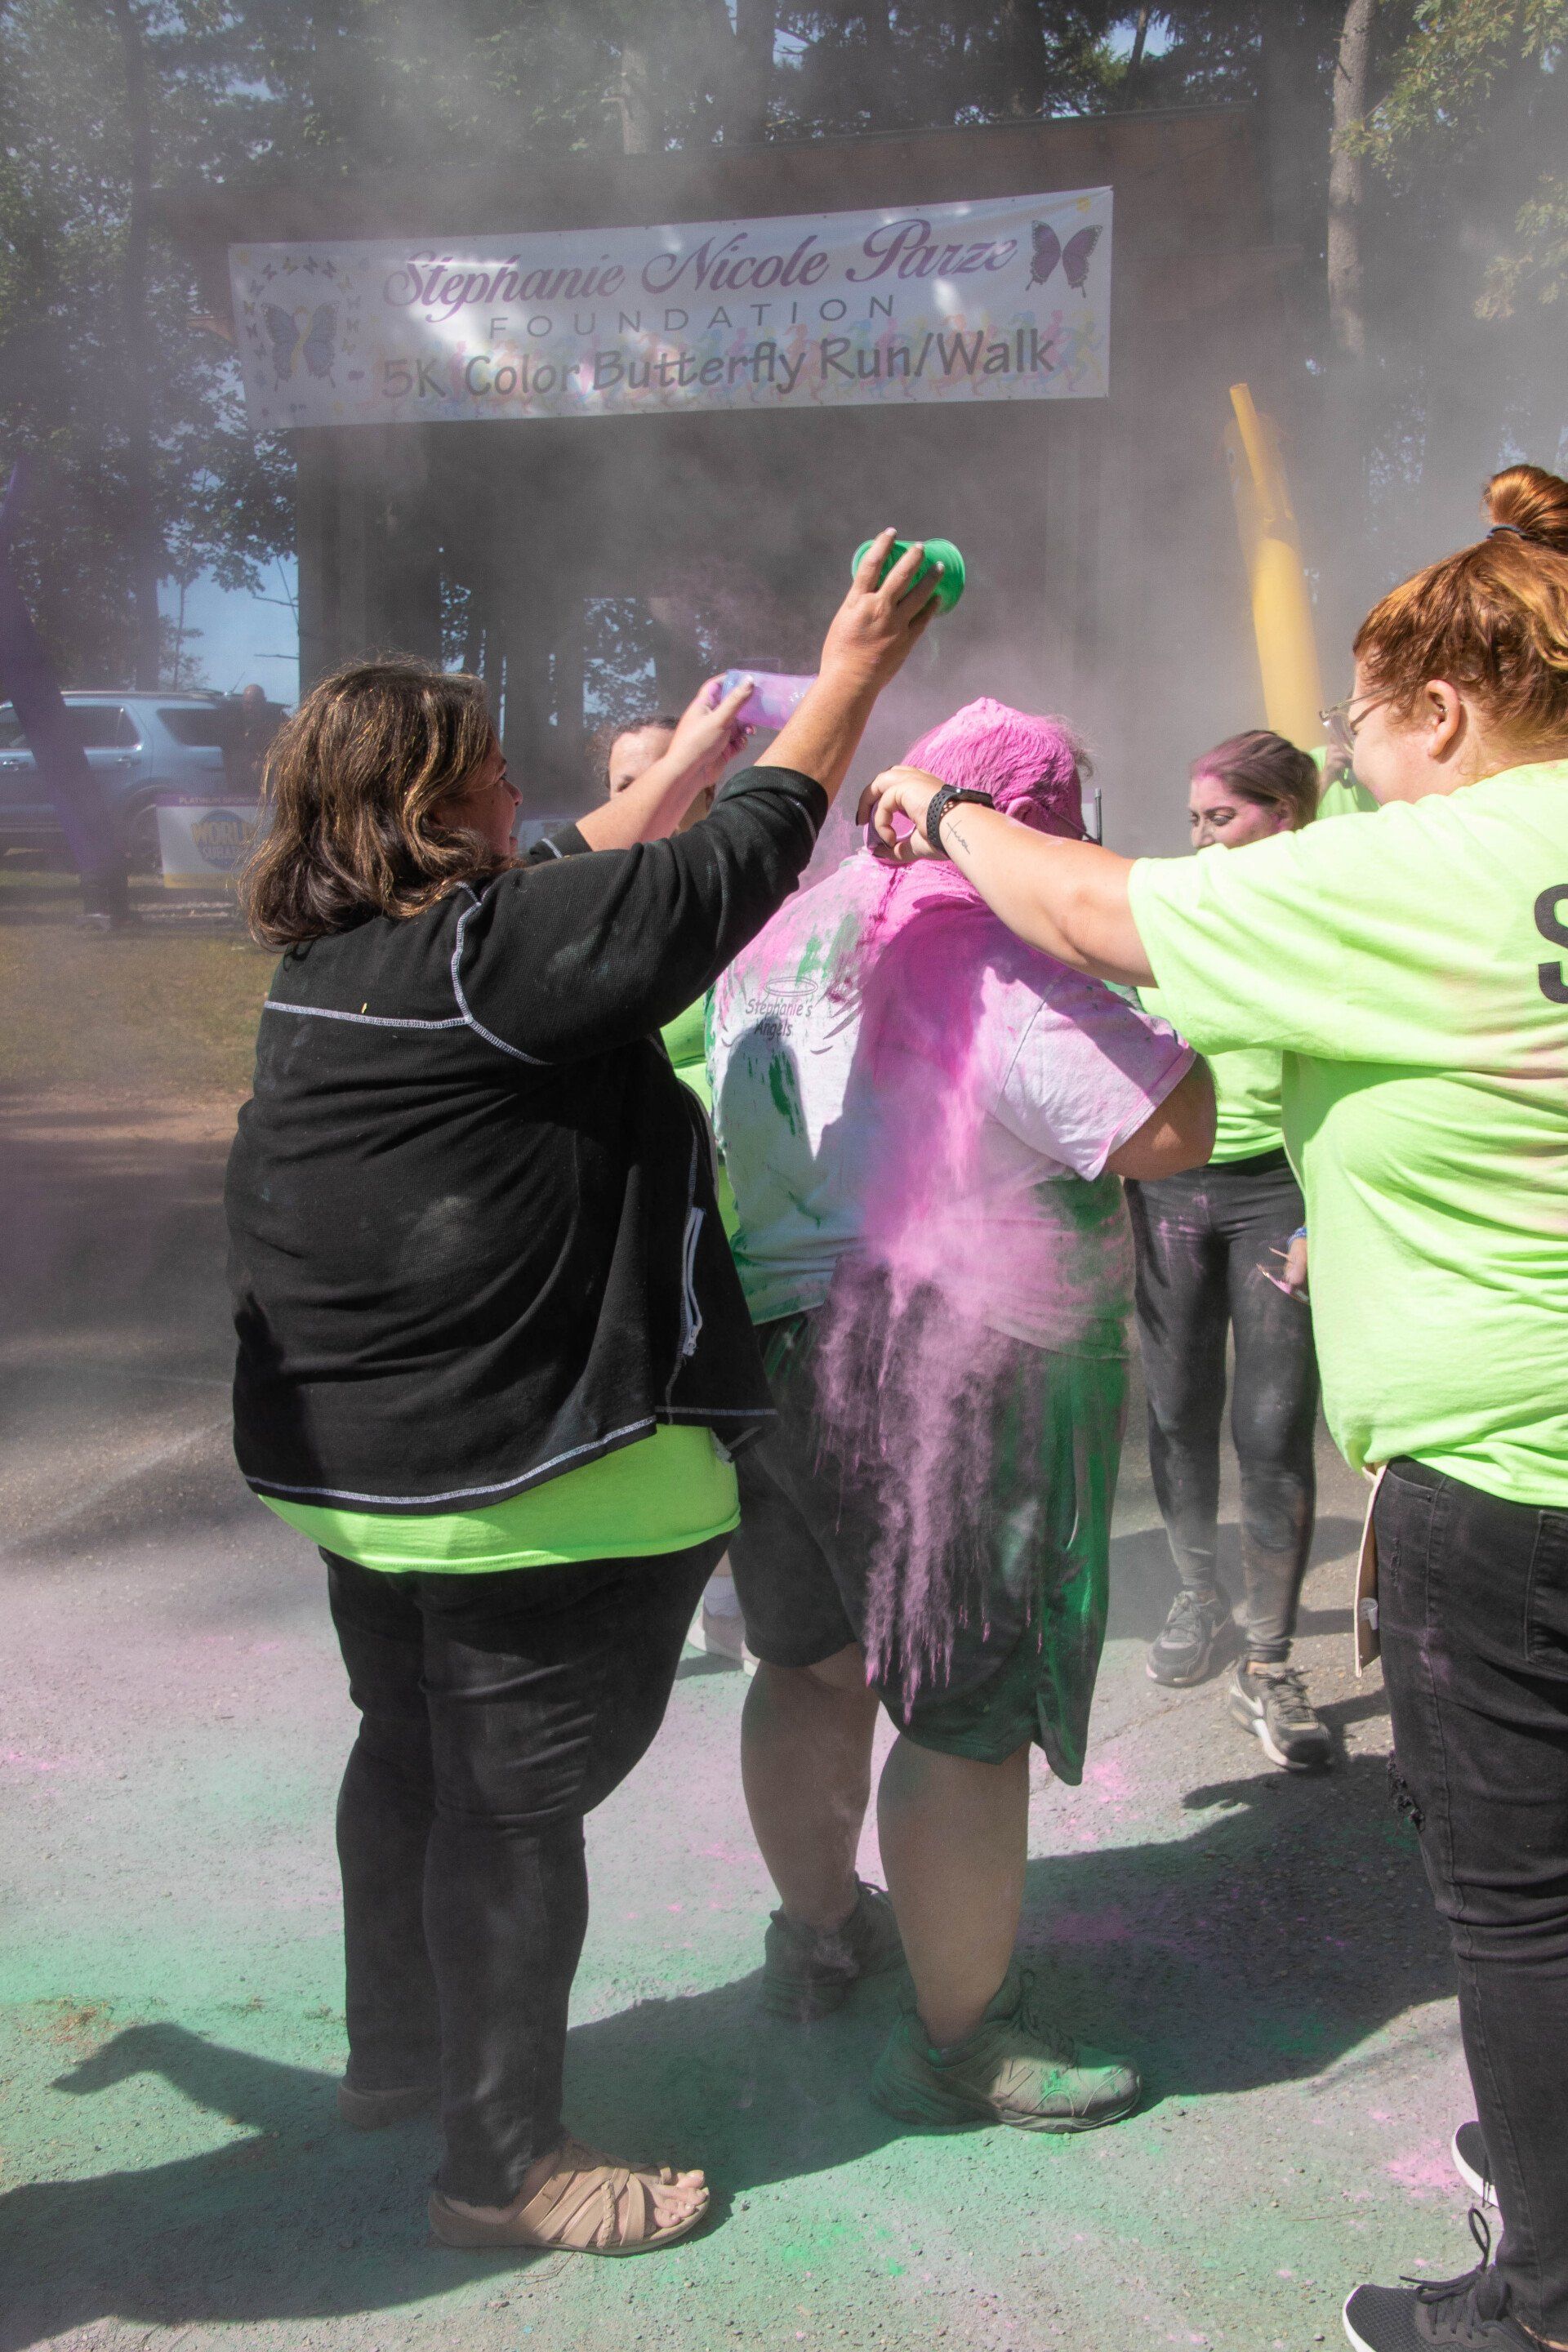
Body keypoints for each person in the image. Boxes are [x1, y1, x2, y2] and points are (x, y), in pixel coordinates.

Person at [858, 468, 1568, 2352]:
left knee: (1523, 1900)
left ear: (1443, 711)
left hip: (1512, 1482)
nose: (1349, 762)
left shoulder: (1425, 862)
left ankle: (1544, 2298)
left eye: (1358, 725)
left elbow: (1095, 916)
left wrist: (931, 810)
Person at [225, 531, 940, 2259]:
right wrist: (854, 674)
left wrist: (678, 761)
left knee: (409, 1751)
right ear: (431, 810)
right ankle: (504, 2163)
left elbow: (568, 873)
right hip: (520, 1476)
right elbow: (739, 862)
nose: (519, 793)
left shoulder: (346, 965)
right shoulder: (496, 962)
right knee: (511, 1810)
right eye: (489, 774)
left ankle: (400, 2055)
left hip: (366, 1471)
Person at [708, 696, 1215, 2131]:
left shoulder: (784, 930)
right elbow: (1164, 1125)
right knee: (965, 1711)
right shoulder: (974, 944)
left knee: (808, 1665)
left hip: (776, 1354)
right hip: (946, 1368)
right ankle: (962, 2040)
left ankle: (818, 1939)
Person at [1129, 730, 1330, 1771]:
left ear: (1283, 818)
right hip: (1169, 1189)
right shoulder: (1173, 906)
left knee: (1273, 1429)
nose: (1201, 839)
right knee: (1176, 1408)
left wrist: (1323, 1217)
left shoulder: (1326, 911)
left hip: (1276, 1194)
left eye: (1223, 818)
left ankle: (1269, 1660)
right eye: (1193, 820)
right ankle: (1198, 1596)